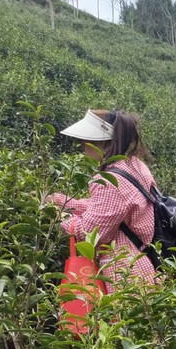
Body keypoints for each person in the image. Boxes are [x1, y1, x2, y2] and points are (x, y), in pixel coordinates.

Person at [44, 109, 157, 293]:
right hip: (144, 266)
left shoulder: (109, 181)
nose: (83, 147)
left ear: (102, 143)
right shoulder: (134, 164)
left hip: (124, 277)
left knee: (119, 321)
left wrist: (60, 216)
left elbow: (90, 236)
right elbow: (113, 209)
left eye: (86, 142)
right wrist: (63, 201)